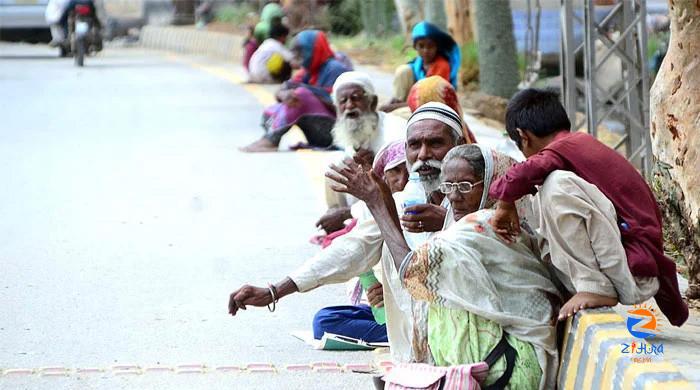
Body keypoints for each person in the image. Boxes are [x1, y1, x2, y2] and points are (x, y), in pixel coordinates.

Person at [229, 103, 464, 363]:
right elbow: (353, 249)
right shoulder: (406, 200)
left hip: (468, 342)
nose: (423, 155)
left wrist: (449, 221)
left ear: (459, 144)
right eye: (414, 145)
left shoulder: (483, 192)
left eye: (435, 144)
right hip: (418, 343)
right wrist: (273, 291)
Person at [327, 141, 559, 389]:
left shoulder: (486, 226)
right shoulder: (466, 225)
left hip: (512, 366)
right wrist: (383, 199)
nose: (455, 196)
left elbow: (412, 272)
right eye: (448, 186)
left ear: (493, 184)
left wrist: (376, 203)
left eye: (466, 186)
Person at [488, 88, 688, 327]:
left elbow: (526, 172)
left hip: (634, 268)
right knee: (541, 193)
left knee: (556, 187)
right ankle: (579, 283)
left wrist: (504, 202)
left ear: (523, 136)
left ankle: (594, 285)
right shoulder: (575, 146)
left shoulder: (566, 147)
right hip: (626, 259)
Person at [312, 141, 408, 344]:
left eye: (409, 172)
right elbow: (354, 253)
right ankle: (396, 334)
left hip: (415, 304)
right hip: (387, 306)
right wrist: (380, 293)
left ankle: (402, 335)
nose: (403, 181)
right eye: (395, 172)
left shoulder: (418, 210)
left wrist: (394, 293)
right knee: (323, 320)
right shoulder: (370, 210)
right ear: (382, 177)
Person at [316, 72, 406, 235]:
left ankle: (346, 218)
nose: (349, 106)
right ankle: (338, 220)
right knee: (335, 166)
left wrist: (375, 168)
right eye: (343, 101)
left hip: (399, 211)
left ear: (372, 103)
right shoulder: (351, 131)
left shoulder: (394, 134)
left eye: (356, 98)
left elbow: (402, 189)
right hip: (365, 206)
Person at [240, 30, 351, 153]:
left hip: (337, 133)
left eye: (302, 52)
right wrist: (284, 95)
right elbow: (285, 87)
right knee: (274, 109)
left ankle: (271, 140)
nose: (299, 57)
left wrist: (308, 92)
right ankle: (270, 137)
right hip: (320, 129)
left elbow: (342, 104)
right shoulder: (309, 71)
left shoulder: (335, 68)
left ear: (315, 49)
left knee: (301, 95)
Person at [380, 21, 460, 113]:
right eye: (421, 46)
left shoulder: (442, 66)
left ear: (437, 47)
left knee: (399, 114)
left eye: (430, 46)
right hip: (413, 102)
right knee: (403, 70)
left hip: (435, 107)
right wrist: (393, 102)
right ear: (415, 46)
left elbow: (432, 99)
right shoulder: (417, 64)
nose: (426, 50)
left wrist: (396, 107)